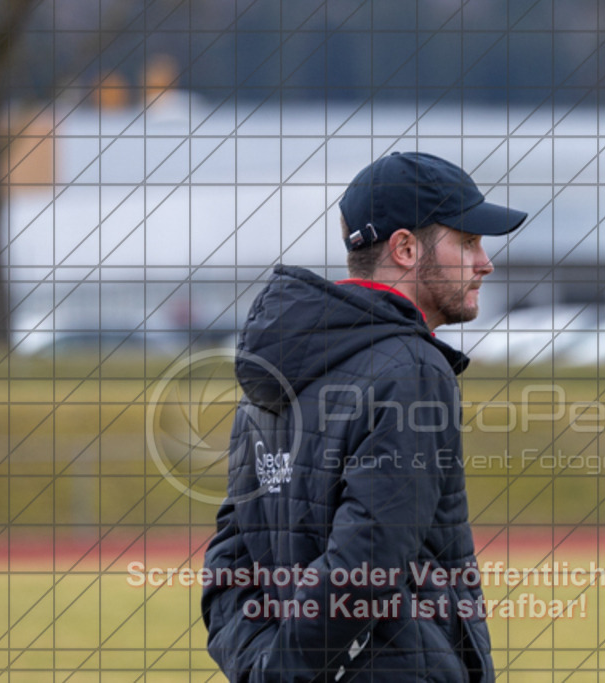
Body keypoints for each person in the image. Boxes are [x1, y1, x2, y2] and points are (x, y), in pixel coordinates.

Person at [202, 151, 528, 682]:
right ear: (405, 248)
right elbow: (365, 566)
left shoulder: (278, 367)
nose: (484, 262)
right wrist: (283, 672)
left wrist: (264, 667)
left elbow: (229, 565)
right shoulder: (411, 368)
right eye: (468, 242)